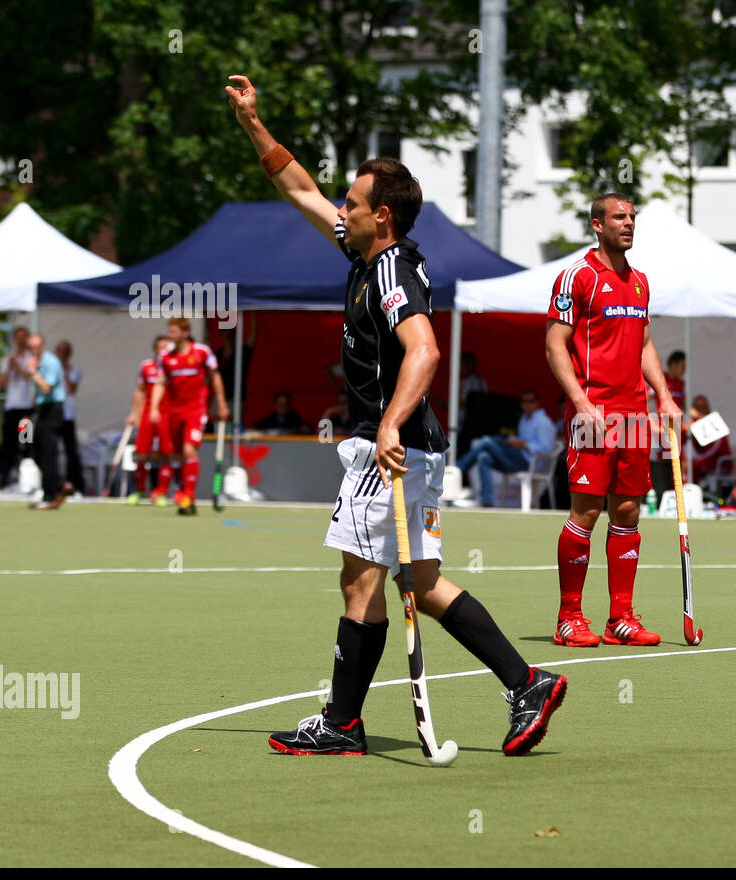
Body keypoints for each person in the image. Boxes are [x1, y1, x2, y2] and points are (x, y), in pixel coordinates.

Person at [227, 73, 565, 757]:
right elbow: (296, 187)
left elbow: (425, 349)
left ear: (381, 214)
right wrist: (251, 122)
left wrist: (386, 425)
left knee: (361, 578)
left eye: (350, 203)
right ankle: (526, 681)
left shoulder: (390, 273)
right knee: (424, 580)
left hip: (394, 448)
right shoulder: (363, 250)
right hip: (414, 447)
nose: (339, 210)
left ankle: (343, 722)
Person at [546, 192, 682, 647]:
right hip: (593, 414)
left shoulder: (640, 282)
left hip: (634, 416)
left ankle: (620, 617)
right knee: (586, 511)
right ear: (597, 225)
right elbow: (554, 345)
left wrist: (663, 395)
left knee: (627, 511)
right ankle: (569, 617)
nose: (628, 224)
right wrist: (581, 403)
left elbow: (644, 344)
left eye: (632, 217)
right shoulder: (577, 276)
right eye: (619, 218)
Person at [148, 317, 230, 515]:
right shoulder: (165, 357)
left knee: (188, 451)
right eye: (170, 331)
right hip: (174, 411)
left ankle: (189, 498)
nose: (171, 336)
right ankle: (181, 491)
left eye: (174, 332)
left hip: (195, 410)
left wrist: (221, 403)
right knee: (176, 455)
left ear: (185, 333)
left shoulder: (202, 352)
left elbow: (214, 376)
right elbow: (160, 382)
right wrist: (154, 407)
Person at [456, 389, 559, 507]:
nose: (527, 404)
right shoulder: (524, 420)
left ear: (537, 403)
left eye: (531, 401)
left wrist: (524, 445)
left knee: (487, 442)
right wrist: (513, 442)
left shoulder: (544, 422)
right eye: (524, 401)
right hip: (518, 458)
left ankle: (458, 469)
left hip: (530, 463)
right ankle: (487, 501)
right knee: (483, 457)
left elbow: (546, 449)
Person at [24, 334, 72, 509]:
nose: (34, 351)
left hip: (53, 410)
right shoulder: (39, 362)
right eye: (31, 348)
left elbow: (46, 388)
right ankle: (60, 485)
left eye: (37, 347)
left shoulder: (51, 362)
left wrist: (33, 372)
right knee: (33, 448)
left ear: (43, 345)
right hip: (41, 410)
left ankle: (51, 494)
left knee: (47, 452)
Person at [126, 335, 175, 504]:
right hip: (148, 412)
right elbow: (140, 391)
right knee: (142, 453)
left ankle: (161, 492)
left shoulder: (173, 367)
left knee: (165, 454)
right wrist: (134, 413)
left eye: (166, 348)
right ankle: (139, 490)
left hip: (166, 413)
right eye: (160, 347)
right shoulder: (146, 366)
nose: (163, 351)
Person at [0, 326, 32, 489]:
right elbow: (0, 385)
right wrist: (10, 367)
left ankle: (26, 481)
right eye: (18, 337)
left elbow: (30, 379)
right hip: (11, 408)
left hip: (26, 408)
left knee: (25, 442)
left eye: (23, 337)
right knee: (8, 445)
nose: (20, 340)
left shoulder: (31, 358)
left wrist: (18, 367)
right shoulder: (8, 359)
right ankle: (3, 481)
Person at [54, 340, 86, 495]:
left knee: (71, 451)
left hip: (67, 415)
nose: (62, 354)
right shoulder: (49, 369)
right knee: (48, 450)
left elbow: (71, 389)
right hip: (52, 415)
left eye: (66, 351)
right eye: (60, 350)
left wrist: (63, 372)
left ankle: (75, 484)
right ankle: (52, 484)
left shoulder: (74, 371)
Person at [688, 394, 733, 488]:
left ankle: (693, 490)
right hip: (707, 460)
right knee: (688, 464)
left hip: (720, 462)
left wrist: (699, 459)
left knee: (693, 465)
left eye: (703, 407)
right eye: (698, 407)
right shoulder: (695, 422)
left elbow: (717, 447)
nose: (702, 410)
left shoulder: (714, 421)